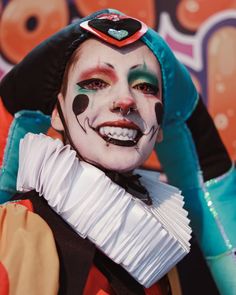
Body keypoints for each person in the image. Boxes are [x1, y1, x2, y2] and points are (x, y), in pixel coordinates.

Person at [0, 8, 235, 295]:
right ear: (58, 114)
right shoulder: (20, 229)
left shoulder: (170, 246)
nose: (125, 100)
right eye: (96, 82)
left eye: (145, 86)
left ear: (160, 126)